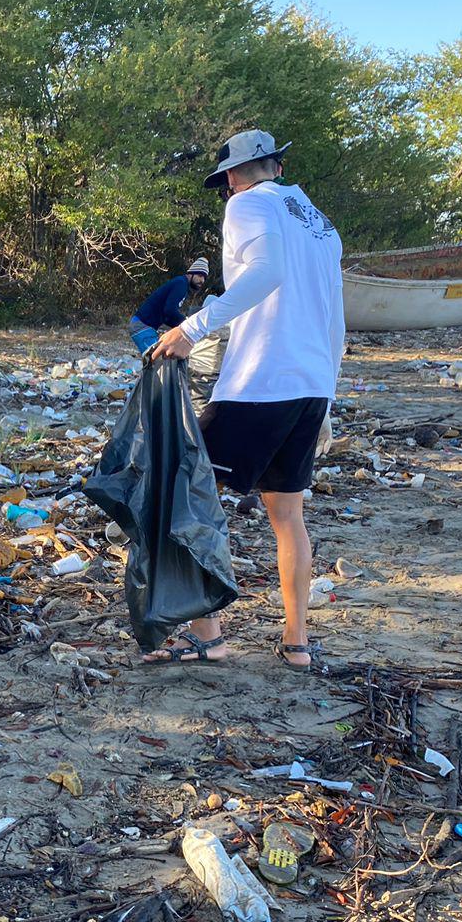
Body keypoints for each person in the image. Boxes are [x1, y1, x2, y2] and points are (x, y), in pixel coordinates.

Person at [150, 129, 343, 672]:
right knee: (287, 514)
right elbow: (334, 314)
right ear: (277, 166)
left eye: (227, 180)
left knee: (184, 494)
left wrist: (193, 327)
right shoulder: (319, 224)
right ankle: (296, 642)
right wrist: (326, 396)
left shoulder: (246, 206)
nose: (229, 189)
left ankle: (208, 634)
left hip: (262, 383)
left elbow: (266, 274)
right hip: (308, 385)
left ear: (233, 176)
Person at [129, 257, 209, 354]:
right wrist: (188, 324)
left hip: (144, 326)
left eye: (204, 277)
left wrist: (182, 329)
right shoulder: (181, 283)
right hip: (141, 326)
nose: (202, 280)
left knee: (159, 360)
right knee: (158, 359)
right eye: (200, 275)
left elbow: (167, 317)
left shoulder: (182, 284)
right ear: (191, 273)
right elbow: (169, 310)